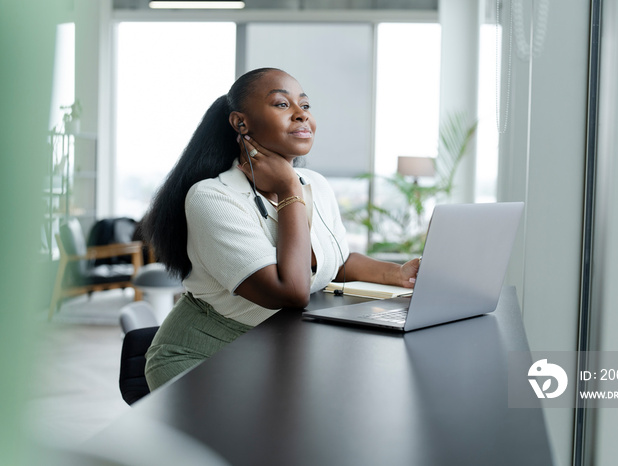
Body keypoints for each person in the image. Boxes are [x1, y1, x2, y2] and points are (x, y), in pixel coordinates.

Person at [141, 68, 419, 390]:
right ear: (240, 123)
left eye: (305, 105)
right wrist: (289, 189)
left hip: (274, 348)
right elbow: (291, 292)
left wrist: (397, 273)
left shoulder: (316, 185)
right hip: (201, 357)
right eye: (282, 105)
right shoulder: (212, 197)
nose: (302, 115)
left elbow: (332, 261)